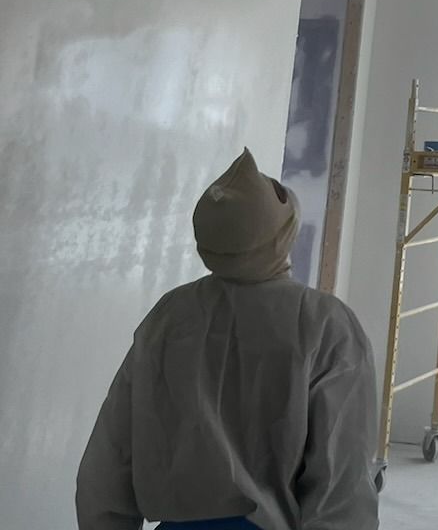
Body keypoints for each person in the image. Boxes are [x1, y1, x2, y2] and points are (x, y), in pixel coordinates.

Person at [76, 148, 379, 530]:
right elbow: (342, 478)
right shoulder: (324, 323)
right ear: (283, 234)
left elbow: (109, 460)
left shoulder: (169, 316)